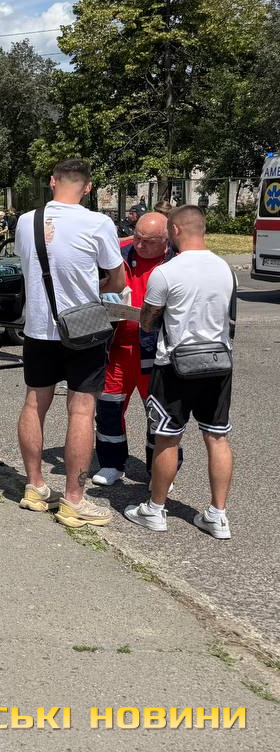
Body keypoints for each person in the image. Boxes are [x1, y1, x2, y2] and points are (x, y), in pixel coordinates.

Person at [13, 159, 125, 527]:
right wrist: (95, 286)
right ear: (88, 187)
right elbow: (118, 280)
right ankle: (74, 500)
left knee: (34, 403)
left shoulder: (26, 221)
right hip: (82, 330)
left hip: (38, 328)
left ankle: (34, 487)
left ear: (52, 181)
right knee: (81, 411)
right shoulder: (98, 223)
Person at [125, 206, 237, 539]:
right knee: (217, 437)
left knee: (167, 438)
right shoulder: (225, 269)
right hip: (218, 363)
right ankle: (217, 515)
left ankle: (155, 509)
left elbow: (147, 321)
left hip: (175, 365)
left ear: (174, 231)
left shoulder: (166, 273)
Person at [92, 212, 182, 486]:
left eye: (148, 241)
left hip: (156, 352)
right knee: (108, 408)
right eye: (137, 237)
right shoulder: (119, 251)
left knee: (159, 414)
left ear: (166, 239)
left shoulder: (177, 261)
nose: (139, 245)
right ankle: (111, 463)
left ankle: (160, 471)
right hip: (118, 347)